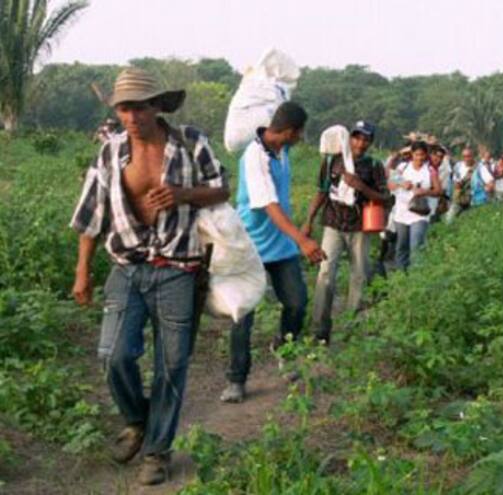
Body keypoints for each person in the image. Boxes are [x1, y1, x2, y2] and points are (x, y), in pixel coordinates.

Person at [70, 68, 229, 485]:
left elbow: (221, 188)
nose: (132, 117)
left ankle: (157, 451)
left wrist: (183, 194)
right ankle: (139, 421)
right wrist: (82, 270)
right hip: (127, 267)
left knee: (171, 366)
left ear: (157, 106)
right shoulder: (110, 152)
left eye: (139, 107)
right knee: (113, 355)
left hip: (179, 269)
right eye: (124, 108)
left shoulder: (190, 142)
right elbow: (91, 215)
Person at [220, 101, 326, 404]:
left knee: (296, 302)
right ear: (290, 132)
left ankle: (284, 350)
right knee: (243, 316)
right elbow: (270, 206)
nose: (301, 138)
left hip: (280, 247)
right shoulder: (254, 156)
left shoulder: (283, 149)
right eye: (300, 133)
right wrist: (303, 241)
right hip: (250, 247)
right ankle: (236, 379)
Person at [304, 121, 388, 343]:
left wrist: (361, 187)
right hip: (333, 223)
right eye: (357, 137)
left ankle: (353, 329)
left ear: (370, 142)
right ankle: (319, 331)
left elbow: (386, 198)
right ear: (349, 138)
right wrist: (309, 220)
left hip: (360, 226)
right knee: (325, 274)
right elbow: (322, 192)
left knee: (359, 275)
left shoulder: (374, 166)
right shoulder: (333, 161)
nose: (360, 143)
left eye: (365, 139)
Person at [389, 141, 442, 270]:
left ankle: (416, 278)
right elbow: (390, 184)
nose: (419, 158)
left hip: (420, 213)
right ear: (412, 154)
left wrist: (425, 191)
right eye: (417, 154)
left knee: (416, 246)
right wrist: (402, 184)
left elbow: (438, 191)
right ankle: (401, 277)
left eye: (422, 155)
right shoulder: (402, 168)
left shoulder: (430, 170)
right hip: (402, 212)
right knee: (401, 247)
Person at [445, 146, 477, 223]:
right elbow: (455, 179)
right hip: (459, 197)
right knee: (449, 219)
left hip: (473, 198)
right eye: (464, 156)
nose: (467, 159)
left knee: (470, 220)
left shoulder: (479, 167)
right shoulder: (458, 166)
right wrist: (457, 183)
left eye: (469, 156)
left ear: (473, 156)